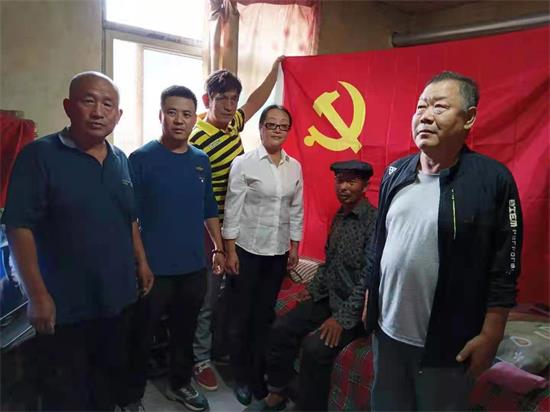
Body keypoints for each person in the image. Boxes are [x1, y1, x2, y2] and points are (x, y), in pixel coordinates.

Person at [364, 71, 523, 411]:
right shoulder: (395, 173)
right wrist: (369, 301)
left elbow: (505, 266)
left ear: (469, 118)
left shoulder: (493, 181)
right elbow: (378, 246)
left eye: (439, 107)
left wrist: (492, 334)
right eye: (421, 107)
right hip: (387, 334)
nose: (425, 116)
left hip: (448, 344)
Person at [1, 71, 154, 411]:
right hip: (65, 306)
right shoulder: (39, 156)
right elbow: (18, 227)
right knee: (66, 393)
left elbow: (129, 218)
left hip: (116, 299)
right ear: (69, 107)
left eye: (108, 104)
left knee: (106, 383)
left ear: (118, 115)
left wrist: (142, 261)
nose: (98, 112)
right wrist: (37, 296)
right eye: (89, 101)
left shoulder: (120, 160)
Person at [125, 86, 225, 412]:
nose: (179, 120)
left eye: (186, 114)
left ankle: (180, 384)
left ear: (195, 119)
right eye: (172, 113)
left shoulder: (200, 160)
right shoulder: (141, 159)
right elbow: (130, 217)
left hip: (193, 267)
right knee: (141, 335)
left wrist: (219, 249)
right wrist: (141, 262)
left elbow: (209, 207)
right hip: (154, 269)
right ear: (161, 115)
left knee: (185, 332)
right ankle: (131, 395)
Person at [189, 57, 283, 392]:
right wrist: (217, 243)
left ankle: (221, 350)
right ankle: (200, 359)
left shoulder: (232, 124)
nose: (230, 106)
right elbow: (197, 198)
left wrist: (276, 70)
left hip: (237, 227)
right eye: (222, 99)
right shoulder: (197, 139)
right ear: (207, 100)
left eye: (233, 99)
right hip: (209, 229)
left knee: (232, 295)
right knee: (208, 297)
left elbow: (255, 101)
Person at [260, 160, 377, 411]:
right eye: (340, 180)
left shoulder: (374, 223)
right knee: (282, 328)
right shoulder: (339, 217)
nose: (344, 187)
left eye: (352, 181)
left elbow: (370, 279)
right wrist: (311, 290)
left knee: (315, 349)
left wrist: (342, 320)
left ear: (365, 186)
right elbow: (328, 263)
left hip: (354, 310)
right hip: (328, 297)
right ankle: (278, 392)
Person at [222, 104, 303, 405]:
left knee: (263, 316)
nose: (277, 130)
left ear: (288, 131)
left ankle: (258, 374)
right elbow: (232, 208)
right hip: (247, 251)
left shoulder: (294, 167)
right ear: (261, 128)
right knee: (240, 317)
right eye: (271, 124)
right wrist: (230, 250)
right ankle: (241, 377)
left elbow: (296, 207)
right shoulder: (244, 164)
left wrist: (294, 245)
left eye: (283, 126)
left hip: (277, 252)